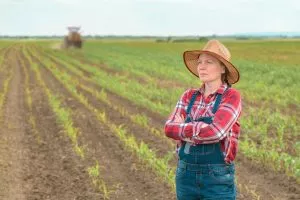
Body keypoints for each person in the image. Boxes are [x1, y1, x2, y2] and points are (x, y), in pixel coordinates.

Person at [164, 39, 242, 200]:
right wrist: (200, 128)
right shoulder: (188, 95)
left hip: (217, 177)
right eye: (200, 62)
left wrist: (184, 127)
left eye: (209, 62)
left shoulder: (231, 96)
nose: (202, 66)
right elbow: (169, 129)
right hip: (185, 175)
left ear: (222, 68)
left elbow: (216, 132)